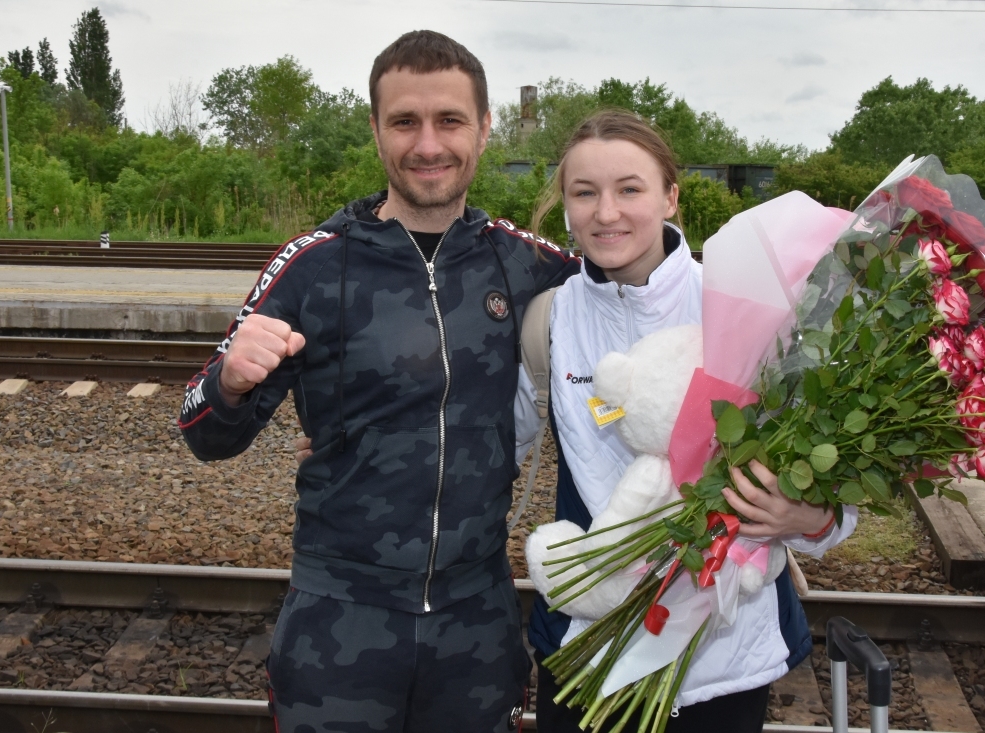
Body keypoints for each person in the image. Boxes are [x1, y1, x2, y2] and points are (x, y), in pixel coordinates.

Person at [179, 30, 580, 733]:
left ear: (485, 130)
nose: (429, 144)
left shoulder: (526, 264)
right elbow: (204, 435)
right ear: (375, 130)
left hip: (476, 621)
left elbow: (638, 293)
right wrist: (229, 384)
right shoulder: (312, 267)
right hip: (341, 619)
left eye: (450, 120)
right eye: (405, 122)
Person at [521, 110, 858, 732]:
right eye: (584, 193)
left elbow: (839, 472)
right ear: (565, 205)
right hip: (587, 639)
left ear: (670, 196)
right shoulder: (547, 319)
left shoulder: (744, 304)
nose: (606, 213)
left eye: (630, 189)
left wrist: (815, 519)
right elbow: (489, 443)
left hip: (720, 653)